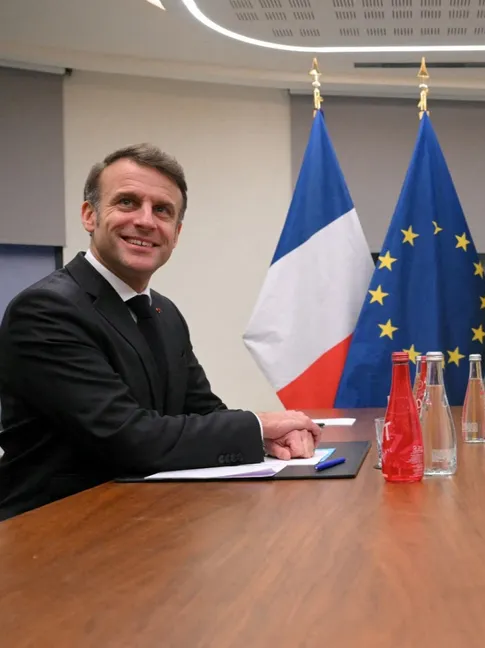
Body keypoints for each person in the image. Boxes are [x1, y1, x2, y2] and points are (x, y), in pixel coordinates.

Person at [0, 144, 322, 520]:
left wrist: (268, 439)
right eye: (127, 202)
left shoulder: (164, 312)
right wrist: (258, 426)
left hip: (149, 520)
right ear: (90, 215)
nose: (146, 221)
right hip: (54, 528)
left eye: (162, 210)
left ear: (176, 233)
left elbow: (203, 411)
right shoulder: (46, 309)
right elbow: (127, 437)